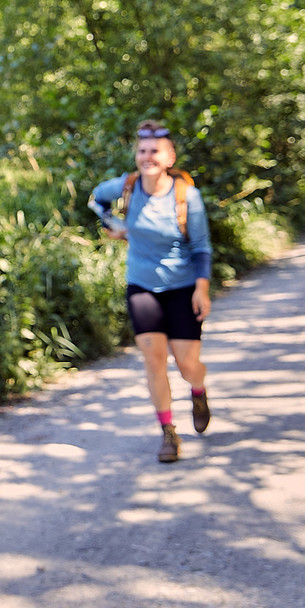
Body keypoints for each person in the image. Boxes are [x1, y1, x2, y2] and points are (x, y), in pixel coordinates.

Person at [88, 120, 213, 463]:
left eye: (155, 151)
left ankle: (198, 391)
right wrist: (113, 225)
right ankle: (168, 433)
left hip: (183, 288)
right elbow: (96, 199)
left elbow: (201, 247)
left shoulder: (187, 196)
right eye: (142, 151)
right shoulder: (127, 187)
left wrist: (202, 289)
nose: (147, 157)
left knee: (188, 366)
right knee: (154, 360)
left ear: (169, 157)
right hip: (142, 287)